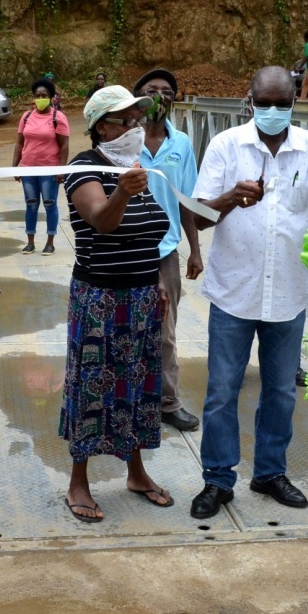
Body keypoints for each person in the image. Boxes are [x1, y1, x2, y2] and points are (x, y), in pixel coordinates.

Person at [189, 66, 308, 519]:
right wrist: (231, 197)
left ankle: (269, 473)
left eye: (280, 104)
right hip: (234, 291)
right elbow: (199, 216)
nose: (271, 111)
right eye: (263, 103)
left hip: (287, 291)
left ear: (293, 104)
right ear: (250, 100)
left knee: (281, 391)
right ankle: (217, 479)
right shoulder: (226, 145)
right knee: (222, 391)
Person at [60, 85, 173, 522]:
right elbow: (101, 222)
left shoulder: (135, 167)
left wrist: (158, 281)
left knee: (141, 387)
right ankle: (78, 481)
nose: (134, 128)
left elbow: (149, 233)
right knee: (92, 387)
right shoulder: (84, 168)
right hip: (100, 299)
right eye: (124, 120)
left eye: (137, 120)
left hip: (143, 296)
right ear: (99, 127)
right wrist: (123, 192)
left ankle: (137, 472)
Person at [134, 67, 203, 432]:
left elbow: (186, 201)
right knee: (126, 326)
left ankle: (167, 402)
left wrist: (194, 249)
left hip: (165, 252)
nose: (161, 96)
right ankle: (129, 400)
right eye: (152, 90)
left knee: (165, 330)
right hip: (127, 249)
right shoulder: (123, 141)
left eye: (168, 90)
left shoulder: (182, 144)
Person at [12, 77, 71, 255]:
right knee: (31, 204)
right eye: (37, 95)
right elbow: (19, 143)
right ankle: (30, 242)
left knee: (49, 204)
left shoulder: (58, 118)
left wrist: (62, 169)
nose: (40, 98)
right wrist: (15, 166)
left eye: (44, 95)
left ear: (52, 97)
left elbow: (64, 145)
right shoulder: (26, 116)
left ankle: (50, 241)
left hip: (49, 170)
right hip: (28, 169)